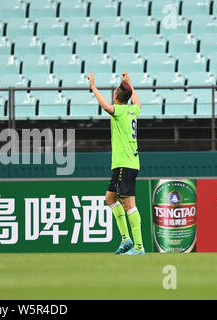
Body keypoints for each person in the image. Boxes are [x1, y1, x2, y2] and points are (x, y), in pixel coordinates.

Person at [87, 70, 145, 255]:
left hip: (124, 164)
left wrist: (93, 87)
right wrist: (130, 83)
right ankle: (126, 239)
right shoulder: (132, 110)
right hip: (129, 163)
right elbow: (137, 102)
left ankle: (139, 247)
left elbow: (106, 107)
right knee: (110, 199)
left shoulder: (119, 111)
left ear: (116, 96)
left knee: (129, 205)